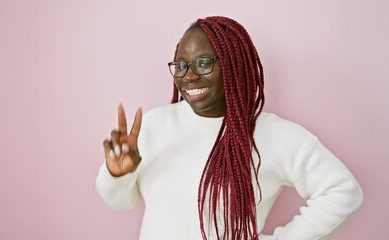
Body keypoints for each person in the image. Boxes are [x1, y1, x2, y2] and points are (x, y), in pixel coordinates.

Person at [96, 16, 363, 240]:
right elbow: (121, 202)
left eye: (203, 63)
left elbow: (343, 192)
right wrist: (119, 175)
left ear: (233, 65)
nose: (189, 76)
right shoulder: (154, 125)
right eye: (181, 65)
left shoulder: (274, 136)